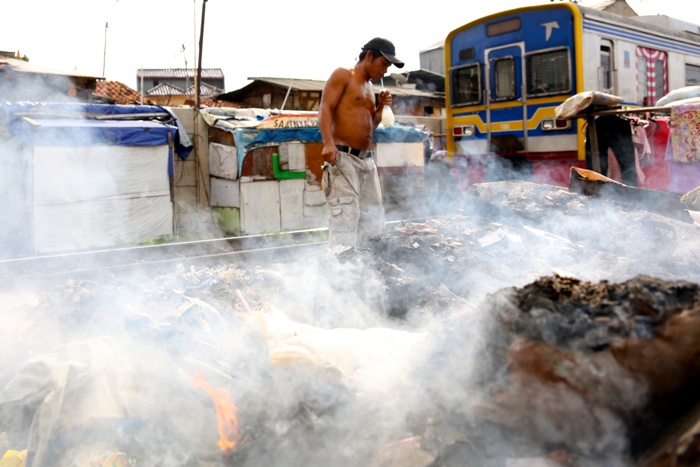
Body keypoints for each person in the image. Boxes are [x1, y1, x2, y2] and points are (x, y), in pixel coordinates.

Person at [319, 37, 404, 248]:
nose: (385, 71)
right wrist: (328, 143)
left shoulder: (369, 87)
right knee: (346, 218)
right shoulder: (343, 75)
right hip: (343, 158)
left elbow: (371, 126)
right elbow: (325, 108)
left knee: (373, 216)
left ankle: (367, 269)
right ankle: (341, 272)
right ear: (369, 56)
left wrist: (380, 108)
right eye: (384, 63)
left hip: (366, 161)